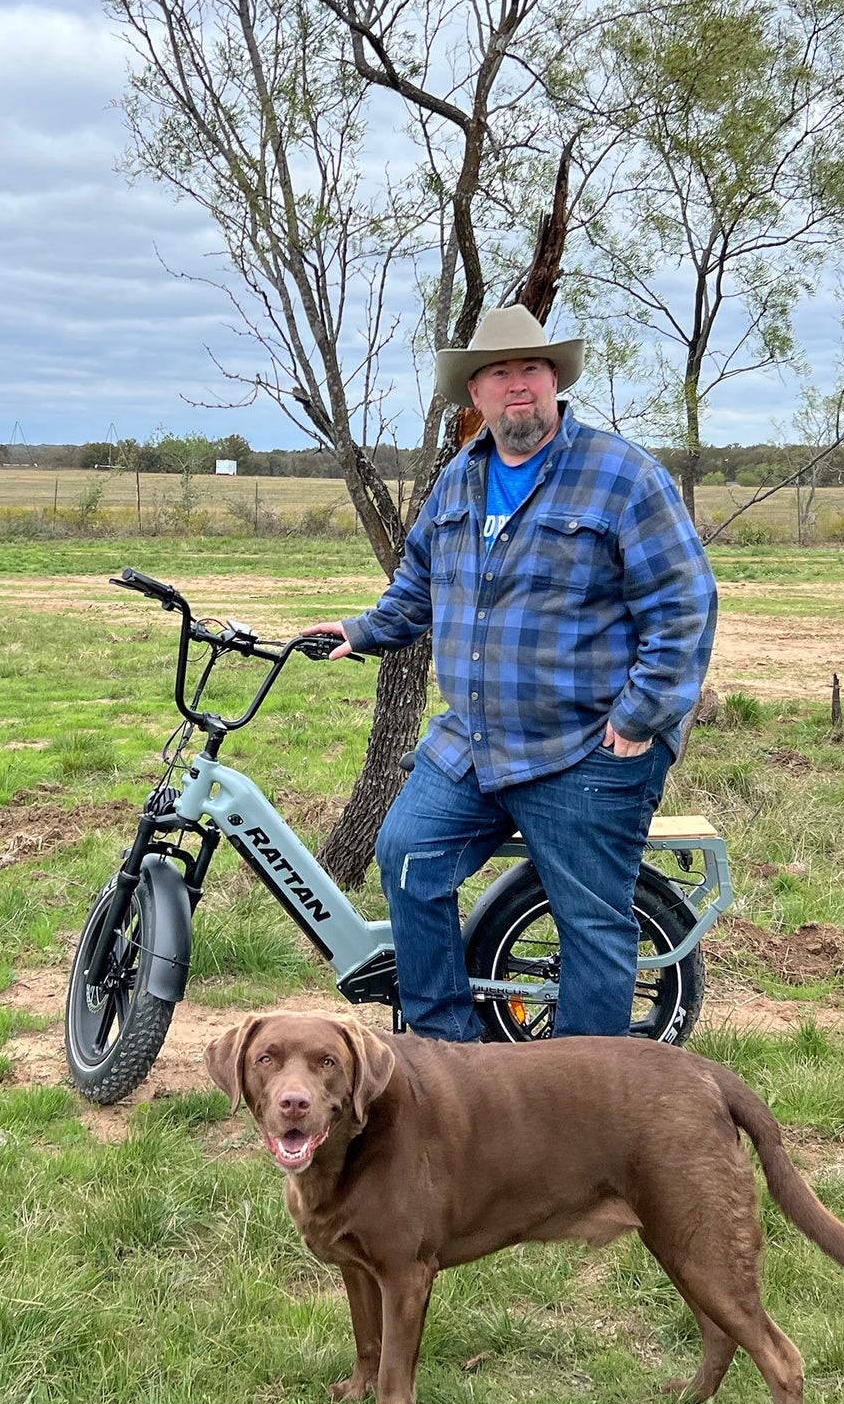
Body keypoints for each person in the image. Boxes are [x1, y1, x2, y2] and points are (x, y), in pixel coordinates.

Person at [305, 304, 716, 1041]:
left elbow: (684, 605)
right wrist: (363, 630)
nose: (516, 385)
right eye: (499, 373)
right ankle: (445, 1054)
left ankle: (581, 1097)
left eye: (530, 368)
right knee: (405, 858)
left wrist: (638, 718)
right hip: (472, 741)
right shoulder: (459, 481)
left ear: (554, 378)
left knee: (590, 920)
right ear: (476, 393)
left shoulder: (620, 475)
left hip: (585, 745)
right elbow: (419, 585)